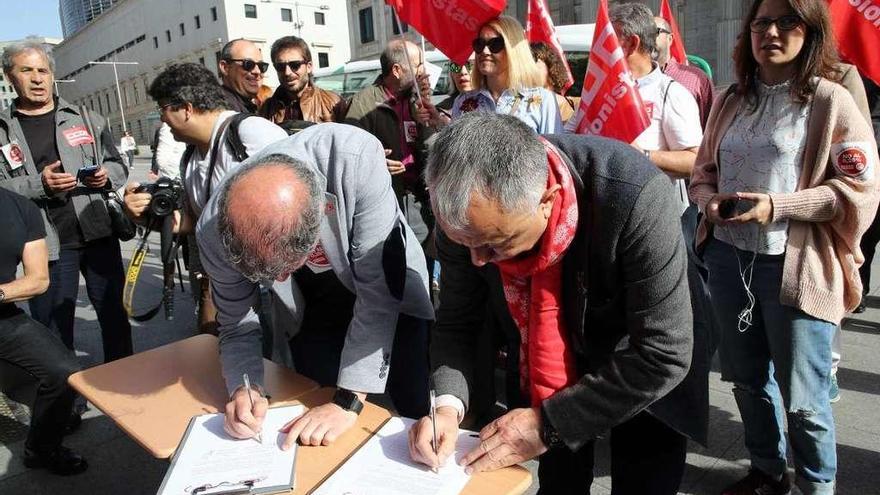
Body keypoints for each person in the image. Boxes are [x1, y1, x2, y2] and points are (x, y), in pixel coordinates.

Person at [409, 112, 693, 494]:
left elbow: (663, 353)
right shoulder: (468, 222)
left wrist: (550, 424)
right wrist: (446, 406)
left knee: (644, 477)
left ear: (546, 201)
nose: (477, 260)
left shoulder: (633, 193)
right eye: (465, 244)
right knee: (560, 483)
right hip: (541, 361)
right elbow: (459, 319)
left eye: (494, 244)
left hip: (639, 363)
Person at [688, 0, 879, 493]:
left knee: (805, 399)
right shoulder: (731, 98)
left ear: (810, 31)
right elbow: (702, 172)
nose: (770, 31)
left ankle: (817, 485)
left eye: (786, 21)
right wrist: (709, 203)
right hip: (730, 263)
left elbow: (857, 190)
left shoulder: (830, 100)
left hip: (795, 268)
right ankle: (766, 472)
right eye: (760, 22)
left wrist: (778, 206)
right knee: (747, 382)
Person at [195, 124, 433, 447]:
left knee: (415, 407)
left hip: (388, 291)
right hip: (310, 305)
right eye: (268, 274)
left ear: (319, 213)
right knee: (318, 417)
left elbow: (378, 293)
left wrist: (349, 401)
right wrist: (244, 386)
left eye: (283, 269)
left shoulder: (355, 158)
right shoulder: (213, 233)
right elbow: (237, 322)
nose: (276, 281)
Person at [124, 63, 286, 336]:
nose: (161, 119)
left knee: (281, 368)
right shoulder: (191, 156)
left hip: (275, 284)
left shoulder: (250, 134)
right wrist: (149, 215)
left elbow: (300, 204)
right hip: (231, 287)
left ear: (186, 108)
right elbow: (197, 221)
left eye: (162, 109)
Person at [0, 41, 133, 364]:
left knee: (115, 318)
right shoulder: (3, 130)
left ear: (52, 75)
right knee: (55, 331)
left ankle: (124, 390)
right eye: (26, 70)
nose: (36, 79)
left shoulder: (87, 118)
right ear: (8, 76)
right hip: (46, 246)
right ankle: (66, 404)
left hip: (98, 233)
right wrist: (39, 184)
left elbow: (118, 164)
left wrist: (106, 176)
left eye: (43, 70)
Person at [0, 188, 86, 476]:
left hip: (3, 316)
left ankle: (42, 448)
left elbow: (38, 280)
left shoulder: (20, 207)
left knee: (65, 370)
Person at [345, 39, 436, 283]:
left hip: (417, 201)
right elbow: (349, 155)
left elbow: (432, 149)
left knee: (422, 271)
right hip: (382, 203)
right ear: (397, 70)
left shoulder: (418, 99)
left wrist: (425, 117)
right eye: (418, 65)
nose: (424, 71)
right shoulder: (363, 103)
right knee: (391, 275)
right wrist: (377, 164)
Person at [451, 16, 562, 134]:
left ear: (514, 49)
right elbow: (453, 151)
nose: (485, 51)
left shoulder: (543, 100)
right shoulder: (462, 101)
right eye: (480, 44)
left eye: (495, 44)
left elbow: (553, 150)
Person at [259, 36, 347, 126]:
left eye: (295, 65)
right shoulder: (266, 109)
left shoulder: (334, 103)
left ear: (309, 67)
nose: (287, 72)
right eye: (280, 66)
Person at [654, 16, 716, 128]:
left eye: (655, 32)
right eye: (645, 34)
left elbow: (712, 126)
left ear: (670, 39)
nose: (648, 39)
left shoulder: (696, 79)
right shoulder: (631, 80)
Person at [530, 42, 577, 122]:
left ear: (550, 66)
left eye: (533, 62)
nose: (528, 70)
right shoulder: (522, 108)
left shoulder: (576, 105)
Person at [217, 39, 267, 113]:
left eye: (261, 66)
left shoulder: (250, 106)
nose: (257, 71)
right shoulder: (220, 109)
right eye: (248, 64)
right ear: (225, 68)